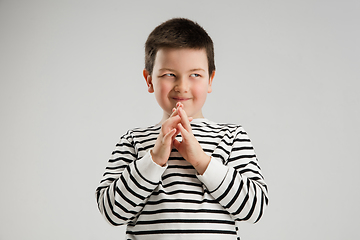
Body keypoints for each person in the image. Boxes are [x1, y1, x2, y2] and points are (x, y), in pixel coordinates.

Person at [95, 18, 268, 240]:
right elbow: (111, 212)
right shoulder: (133, 140)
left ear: (210, 80)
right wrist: (154, 160)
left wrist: (202, 161)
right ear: (149, 80)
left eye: (195, 74)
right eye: (169, 74)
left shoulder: (232, 137)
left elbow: (255, 208)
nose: (182, 86)